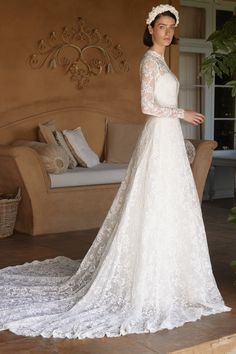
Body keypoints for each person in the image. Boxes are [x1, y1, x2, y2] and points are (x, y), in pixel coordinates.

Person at [0, 4, 231, 339]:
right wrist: (182, 112)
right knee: (152, 201)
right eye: (162, 26)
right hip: (160, 133)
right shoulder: (149, 61)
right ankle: (145, 279)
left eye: (171, 27)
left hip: (168, 136)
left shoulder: (163, 60)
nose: (167, 32)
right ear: (150, 29)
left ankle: (173, 278)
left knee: (171, 203)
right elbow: (146, 106)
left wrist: (178, 118)